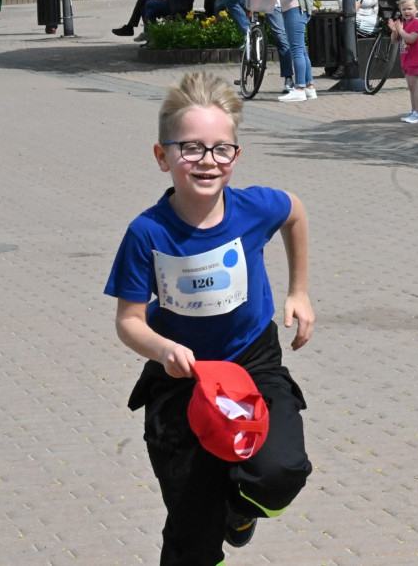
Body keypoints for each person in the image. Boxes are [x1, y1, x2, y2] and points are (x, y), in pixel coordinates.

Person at [104, 70, 314, 565]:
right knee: (191, 536)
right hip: (183, 380)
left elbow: (295, 212)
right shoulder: (146, 233)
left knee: (280, 472)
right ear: (163, 157)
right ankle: (206, 525)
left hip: (252, 365)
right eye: (191, 148)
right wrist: (163, 349)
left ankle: (237, 512)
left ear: (236, 157)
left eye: (222, 149)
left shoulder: (255, 209)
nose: (207, 161)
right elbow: (129, 321)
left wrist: (299, 292)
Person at [390, 0, 418, 123]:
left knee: (416, 87)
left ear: (416, 9)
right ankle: (414, 111)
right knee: (411, 87)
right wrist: (395, 31)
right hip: (406, 60)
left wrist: (400, 31)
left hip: (416, 60)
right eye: (404, 9)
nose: (406, 11)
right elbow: (394, 41)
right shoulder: (403, 24)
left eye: (410, 8)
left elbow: (411, 39)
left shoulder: (417, 23)